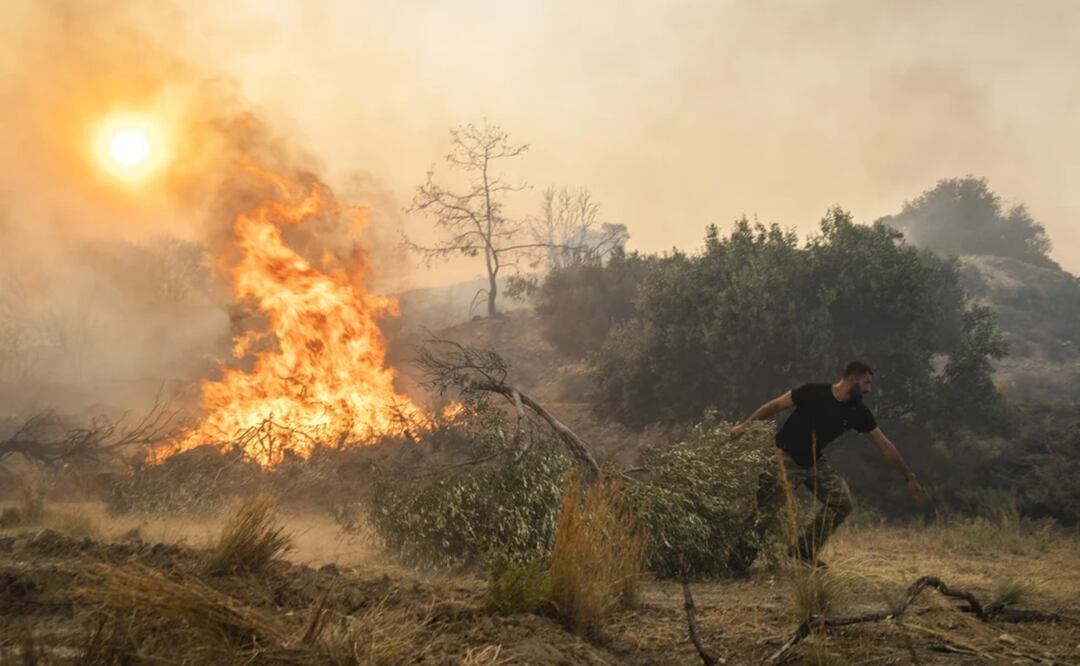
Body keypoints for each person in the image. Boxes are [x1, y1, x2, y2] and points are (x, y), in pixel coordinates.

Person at [731, 361, 926, 565]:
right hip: (784, 458)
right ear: (852, 379)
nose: (869, 389)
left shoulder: (857, 411)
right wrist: (744, 427)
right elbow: (775, 406)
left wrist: (908, 477)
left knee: (842, 503)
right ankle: (737, 562)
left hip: (814, 462)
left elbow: (884, 446)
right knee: (766, 511)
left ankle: (804, 551)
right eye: (866, 383)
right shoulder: (812, 392)